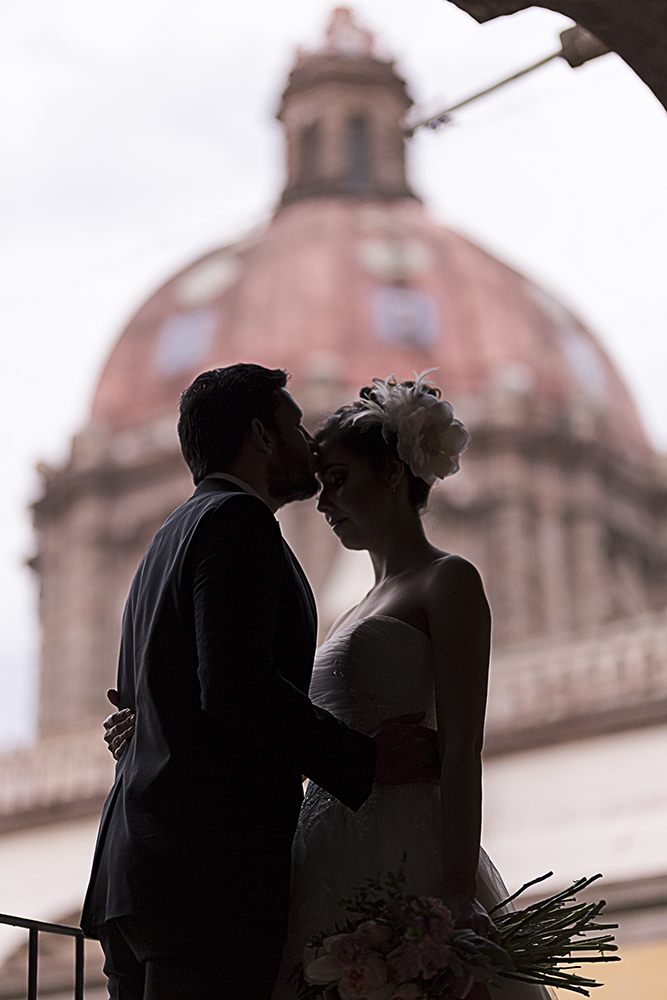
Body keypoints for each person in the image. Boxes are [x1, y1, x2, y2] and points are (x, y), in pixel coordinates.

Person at [105, 371, 552, 1000]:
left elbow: (460, 746)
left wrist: (456, 888)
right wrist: (364, 759)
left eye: (337, 478)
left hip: (298, 850)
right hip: (233, 864)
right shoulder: (241, 523)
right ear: (261, 435)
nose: (321, 497)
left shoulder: (446, 580)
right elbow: (235, 688)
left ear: (392, 473)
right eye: (296, 429)